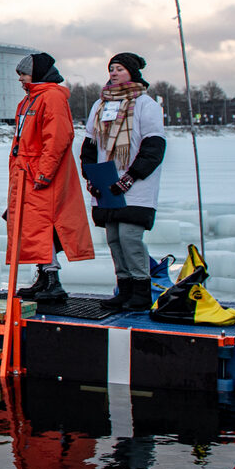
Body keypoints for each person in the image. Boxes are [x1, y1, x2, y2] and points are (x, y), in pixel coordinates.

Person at [81, 52, 167, 311]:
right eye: (111, 69)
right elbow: (89, 144)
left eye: (119, 68)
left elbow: (154, 146)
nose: (113, 73)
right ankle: (124, 289)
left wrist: (131, 177)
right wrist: (90, 175)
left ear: (132, 72)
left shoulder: (144, 104)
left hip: (136, 185)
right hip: (107, 183)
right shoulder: (100, 105)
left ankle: (141, 290)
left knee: (130, 237)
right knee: (114, 238)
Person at [8, 53, 94, 303]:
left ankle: (53, 280)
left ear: (37, 74)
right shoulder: (29, 101)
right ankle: (45, 277)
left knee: (43, 227)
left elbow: (56, 138)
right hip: (26, 175)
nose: (21, 80)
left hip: (39, 177)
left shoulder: (51, 97)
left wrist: (44, 172)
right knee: (32, 228)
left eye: (24, 74)